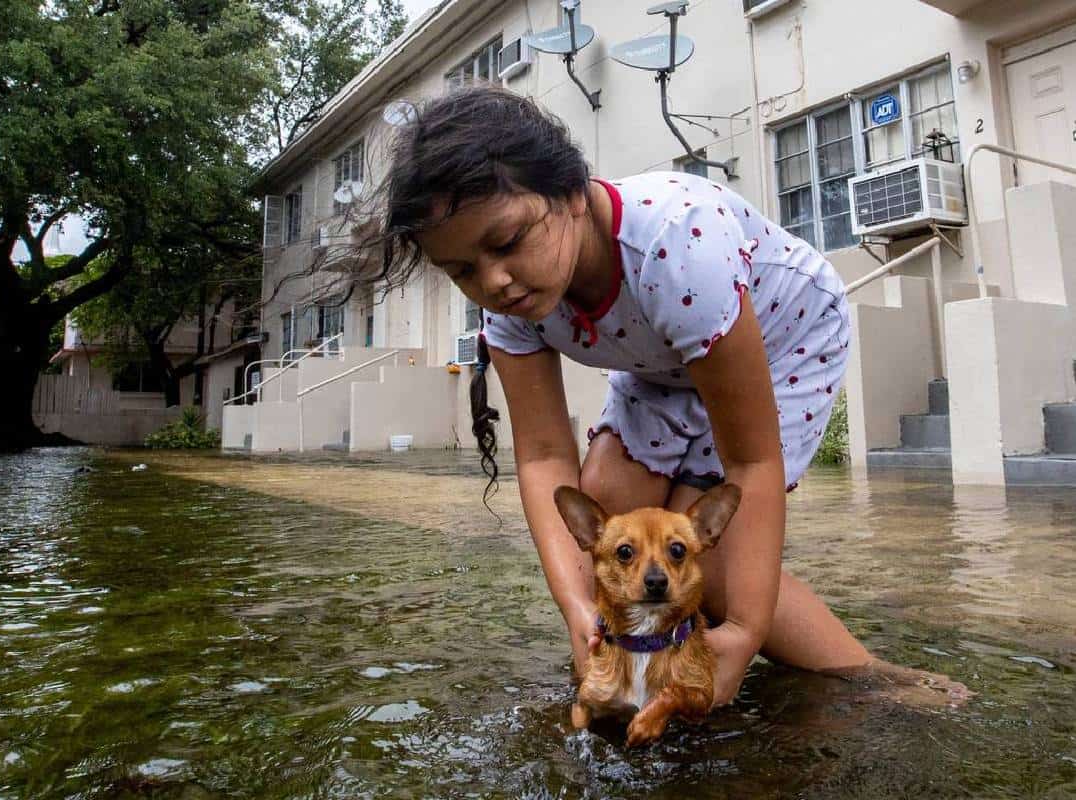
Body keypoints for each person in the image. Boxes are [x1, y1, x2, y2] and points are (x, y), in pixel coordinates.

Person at [369, 85, 964, 707]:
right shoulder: (508, 303)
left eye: (509, 241)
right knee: (610, 523)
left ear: (572, 194)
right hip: (660, 367)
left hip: (786, 336)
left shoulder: (675, 245)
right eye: (461, 270)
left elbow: (751, 462)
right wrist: (579, 610)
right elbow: (544, 454)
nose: (492, 280)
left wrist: (744, 630)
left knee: (711, 569)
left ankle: (877, 683)